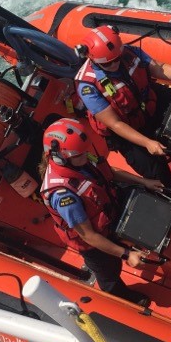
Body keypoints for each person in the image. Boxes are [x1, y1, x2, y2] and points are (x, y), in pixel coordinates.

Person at [39, 117, 163, 307]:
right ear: (59, 157)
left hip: (106, 211)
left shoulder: (79, 158)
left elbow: (108, 171)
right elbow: (89, 236)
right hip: (93, 243)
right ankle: (121, 297)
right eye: (80, 155)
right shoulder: (63, 196)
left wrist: (143, 182)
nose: (86, 155)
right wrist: (125, 254)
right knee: (109, 275)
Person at [74, 25, 171, 195]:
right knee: (156, 171)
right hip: (126, 129)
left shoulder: (129, 53)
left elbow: (158, 68)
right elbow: (115, 124)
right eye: (109, 63)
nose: (116, 64)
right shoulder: (87, 85)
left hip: (147, 103)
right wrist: (147, 143)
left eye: (118, 58)